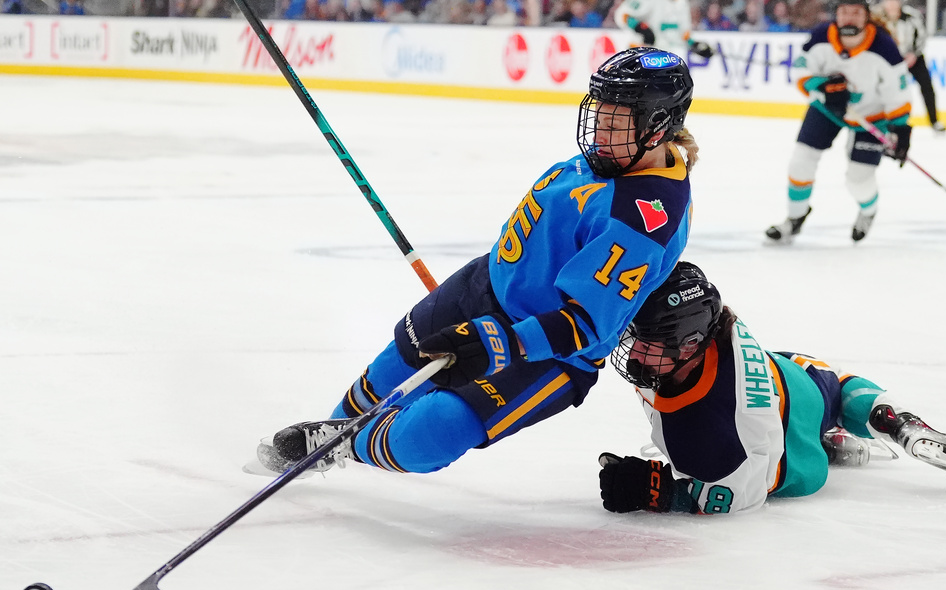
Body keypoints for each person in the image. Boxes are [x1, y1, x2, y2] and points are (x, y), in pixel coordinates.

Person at [253, 48, 699, 479]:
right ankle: (332, 433)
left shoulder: (644, 214)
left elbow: (584, 323)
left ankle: (345, 444)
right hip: (481, 287)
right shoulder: (613, 157)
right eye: (598, 114)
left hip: (548, 351)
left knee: (434, 433)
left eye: (614, 121)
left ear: (657, 126)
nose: (599, 131)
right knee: (386, 375)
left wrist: (497, 343)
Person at [597, 262, 946, 516]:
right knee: (836, 384)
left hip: (792, 449)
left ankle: (827, 444)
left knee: (822, 404)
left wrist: (659, 490)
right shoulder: (689, 346)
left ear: (689, 343)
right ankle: (889, 423)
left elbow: (741, 494)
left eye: (647, 340)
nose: (633, 351)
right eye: (634, 335)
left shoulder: (732, 413)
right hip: (787, 376)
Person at [766, 0, 912, 244]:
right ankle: (795, 217)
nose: (849, 18)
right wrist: (823, 85)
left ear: (867, 16)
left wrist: (901, 128)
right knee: (801, 161)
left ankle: (868, 211)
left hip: (870, 117)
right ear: (837, 15)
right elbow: (800, 72)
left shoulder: (884, 47)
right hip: (826, 109)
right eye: (844, 12)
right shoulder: (821, 36)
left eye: (856, 13)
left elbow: (898, 93)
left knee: (858, 178)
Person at [873, 0, 946, 132]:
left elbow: (922, 36)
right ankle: (883, 119)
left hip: (913, 57)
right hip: (889, 59)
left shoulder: (911, 15)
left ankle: (934, 121)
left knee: (927, 87)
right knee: (884, 89)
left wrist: (914, 53)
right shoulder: (876, 16)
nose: (892, 4)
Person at [614, 0, 715, 59]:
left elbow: (683, 34)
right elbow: (622, 14)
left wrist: (694, 44)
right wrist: (639, 27)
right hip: (640, 53)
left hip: (666, 57)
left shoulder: (682, 3)